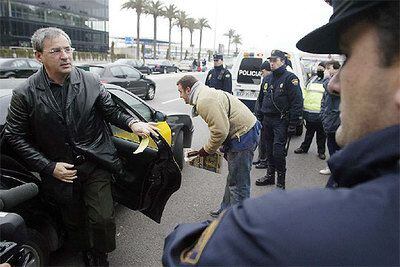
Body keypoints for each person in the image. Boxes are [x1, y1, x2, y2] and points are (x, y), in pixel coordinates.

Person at [162, 0, 399, 265]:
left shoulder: (277, 227)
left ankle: (238, 206)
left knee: (244, 178)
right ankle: (226, 207)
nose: (333, 83)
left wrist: (236, 220)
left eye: (348, 55)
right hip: (254, 127)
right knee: (237, 177)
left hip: (252, 133)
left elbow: (182, 252)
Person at [4, 27, 159, 266]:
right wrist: (48, 166)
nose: (65, 56)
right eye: (56, 51)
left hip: (95, 162)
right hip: (60, 172)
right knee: (74, 221)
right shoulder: (24, 93)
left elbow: (111, 111)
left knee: (102, 219)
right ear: (39, 56)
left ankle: (100, 255)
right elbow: (14, 136)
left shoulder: (91, 80)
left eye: (68, 49)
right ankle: (84, 251)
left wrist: (133, 122)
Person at [176, 75, 260, 218]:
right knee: (233, 178)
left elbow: (220, 131)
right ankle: (226, 209)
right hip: (242, 132)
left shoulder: (204, 100)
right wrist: (220, 146)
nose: (180, 96)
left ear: (188, 89)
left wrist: (206, 150)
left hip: (244, 136)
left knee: (239, 184)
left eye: (180, 92)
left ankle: (240, 222)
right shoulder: (204, 93)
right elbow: (222, 126)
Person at [255, 49, 303, 189]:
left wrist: (294, 123)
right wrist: (259, 116)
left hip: (281, 121)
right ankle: (270, 176)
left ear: (282, 61)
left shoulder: (290, 78)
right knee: (268, 150)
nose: (272, 63)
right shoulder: (267, 79)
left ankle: (281, 182)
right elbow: (261, 99)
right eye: (270, 60)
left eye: (275, 60)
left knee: (278, 152)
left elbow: (297, 102)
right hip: (267, 120)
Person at [294, 62, 327, 160]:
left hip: (320, 112)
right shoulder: (312, 79)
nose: (319, 70)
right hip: (309, 111)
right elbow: (305, 91)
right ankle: (304, 148)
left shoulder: (327, 80)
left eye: (321, 69)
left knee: (321, 134)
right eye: (318, 69)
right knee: (309, 132)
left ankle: (321, 152)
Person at [319, 60, 341, 175]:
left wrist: (326, 78)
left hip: (336, 119)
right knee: (331, 144)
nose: (327, 71)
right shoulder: (333, 79)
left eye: (329, 68)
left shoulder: (338, 80)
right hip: (329, 118)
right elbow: (324, 100)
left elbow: (330, 89)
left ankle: (336, 168)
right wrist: (322, 114)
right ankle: (332, 166)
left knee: (336, 145)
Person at [253, 61, 272, 169]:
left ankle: (265, 161)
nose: (261, 74)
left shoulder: (271, 81)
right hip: (262, 114)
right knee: (261, 139)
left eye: (263, 72)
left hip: (268, 116)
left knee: (265, 139)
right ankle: (261, 158)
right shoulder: (265, 80)